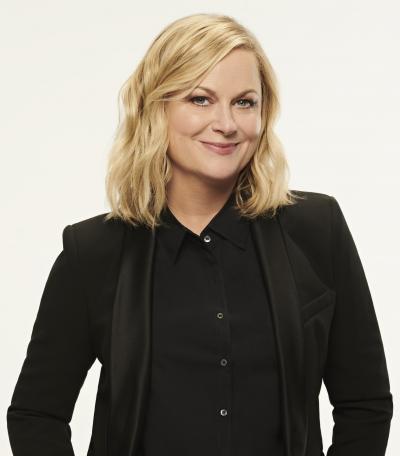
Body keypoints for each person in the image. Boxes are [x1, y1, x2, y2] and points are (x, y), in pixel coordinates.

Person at [7, 12, 393, 456]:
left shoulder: (317, 229)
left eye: (244, 102)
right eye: (200, 99)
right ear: (156, 108)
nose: (226, 123)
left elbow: (365, 405)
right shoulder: (92, 252)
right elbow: (37, 415)